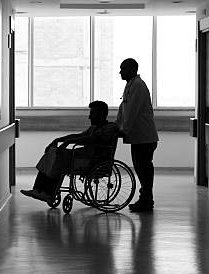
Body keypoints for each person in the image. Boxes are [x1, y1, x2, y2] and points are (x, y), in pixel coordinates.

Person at [21, 100, 118, 203]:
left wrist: (69, 142)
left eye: (92, 114)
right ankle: (38, 190)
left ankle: (48, 193)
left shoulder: (109, 128)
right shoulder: (93, 128)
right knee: (52, 153)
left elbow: (93, 139)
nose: (89, 117)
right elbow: (79, 136)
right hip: (83, 157)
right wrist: (59, 140)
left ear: (101, 114)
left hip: (93, 161)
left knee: (58, 159)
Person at [116, 58, 159, 212]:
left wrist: (123, 130)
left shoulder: (138, 86)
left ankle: (147, 199)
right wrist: (116, 125)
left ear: (133, 69)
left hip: (144, 137)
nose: (120, 72)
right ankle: (145, 198)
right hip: (139, 137)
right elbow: (124, 109)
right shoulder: (130, 85)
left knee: (144, 169)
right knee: (141, 168)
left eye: (123, 69)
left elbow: (132, 111)